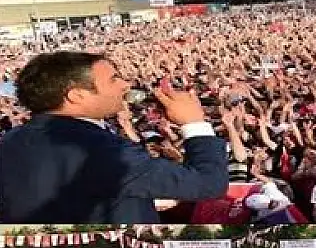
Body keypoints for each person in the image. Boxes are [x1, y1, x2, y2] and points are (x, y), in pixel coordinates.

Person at [0, 51, 228, 223]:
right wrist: (194, 123)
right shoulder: (100, 149)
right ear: (76, 96)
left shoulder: (8, 143)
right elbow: (208, 183)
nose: (125, 85)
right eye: (113, 79)